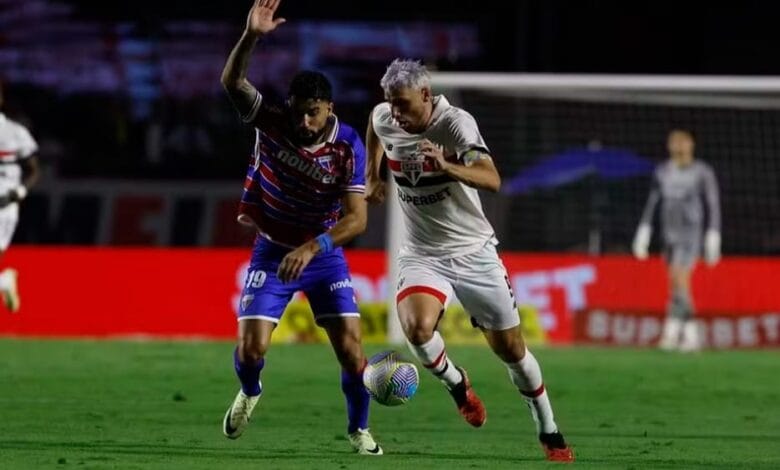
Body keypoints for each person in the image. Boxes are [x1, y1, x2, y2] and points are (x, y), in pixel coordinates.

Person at [365, 59, 573, 462]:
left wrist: (447, 165)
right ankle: (457, 384)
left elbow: (493, 179)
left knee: (512, 351)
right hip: (422, 252)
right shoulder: (384, 117)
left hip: (474, 252)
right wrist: (373, 177)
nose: (396, 113)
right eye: (391, 103)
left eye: (403, 104)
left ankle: (548, 428)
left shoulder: (456, 124)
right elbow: (375, 128)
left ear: (425, 95)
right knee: (417, 329)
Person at [219, 0, 381, 455]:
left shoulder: (348, 146)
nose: (304, 121)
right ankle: (251, 390)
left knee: (351, 349)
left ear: (328, 106)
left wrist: (312, 249)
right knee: (251, 351)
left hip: (323, 255)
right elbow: (232, 82)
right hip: (272, 250)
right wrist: (251, 35)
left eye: (313, 112)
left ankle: (358, 430)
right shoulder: (270, 120)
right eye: (298, 111)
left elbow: (358, 219)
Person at [633, 129, 721, 352]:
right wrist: (644, 230)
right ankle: (675, 333)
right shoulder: (663, 171)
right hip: (669, 235)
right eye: (675, 142)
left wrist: (713, 233)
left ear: (691, 144)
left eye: (683, 142)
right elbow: (652, 202)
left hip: (691, 234)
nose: (679, 146)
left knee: (680, 279)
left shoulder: (702, 172)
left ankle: (688, 334)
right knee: (674, 283)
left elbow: (713, 203)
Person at [0, 80, 40, 313]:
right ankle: (4, 281)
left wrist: (19, 192)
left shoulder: (15, 133)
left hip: (4, 207)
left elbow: (33, 169)